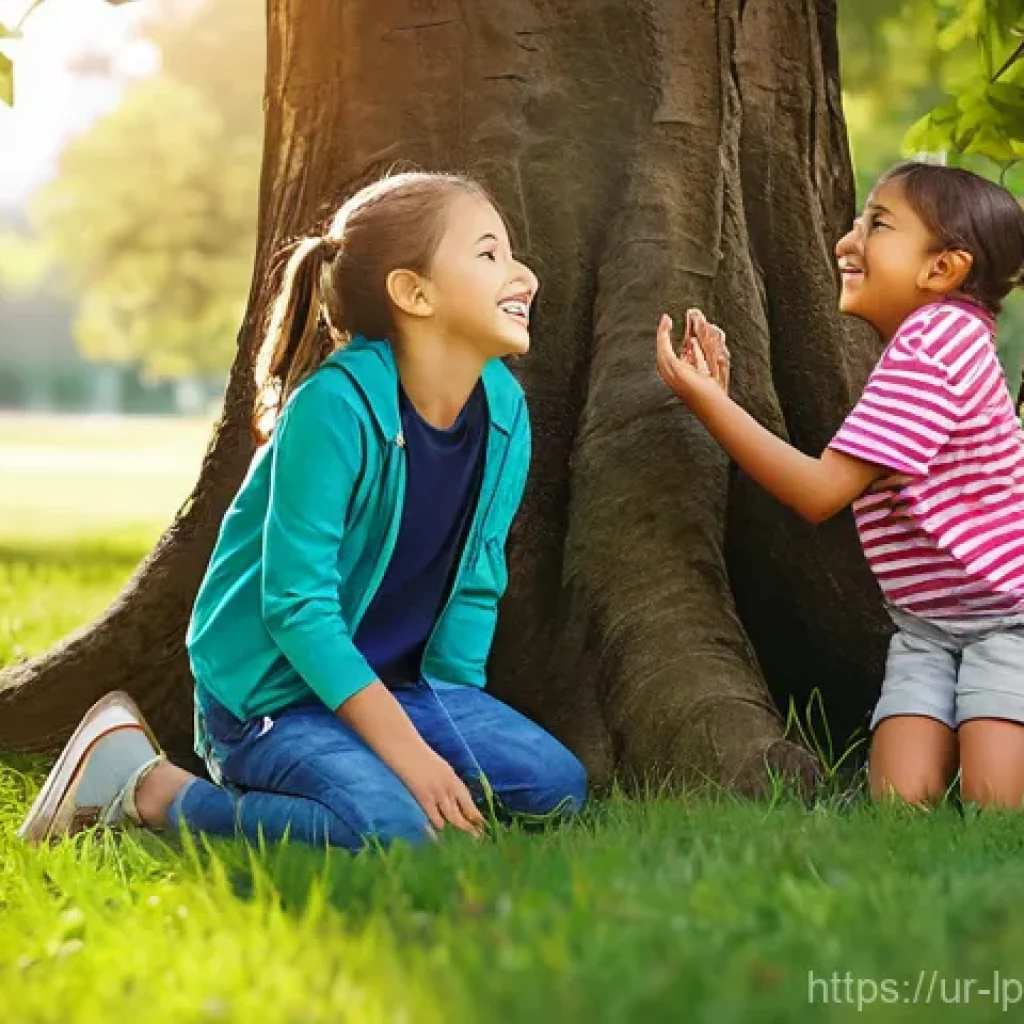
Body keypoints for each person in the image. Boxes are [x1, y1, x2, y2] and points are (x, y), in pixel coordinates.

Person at [20, 170, 587, 849]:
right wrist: (412, 761)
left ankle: (368, 775)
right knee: (394, 833)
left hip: (396, 690)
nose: (521, 274)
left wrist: (449, 727)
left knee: (556, 787)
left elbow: (475, 582)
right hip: (272, 699)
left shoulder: (504, 415)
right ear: (413, 292)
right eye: (490, 254)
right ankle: (149, 789)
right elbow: (297, 605)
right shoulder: (332, 409)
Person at [656, 161, 1024, 809]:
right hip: (927, 626)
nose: (844, 242)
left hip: (1008, 620)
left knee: (996, 804)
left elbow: (820, 492)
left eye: (877, 225)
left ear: (942, 270)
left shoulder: (935, 345)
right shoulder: (944, 339)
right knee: (898, 803)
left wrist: (708, 402)